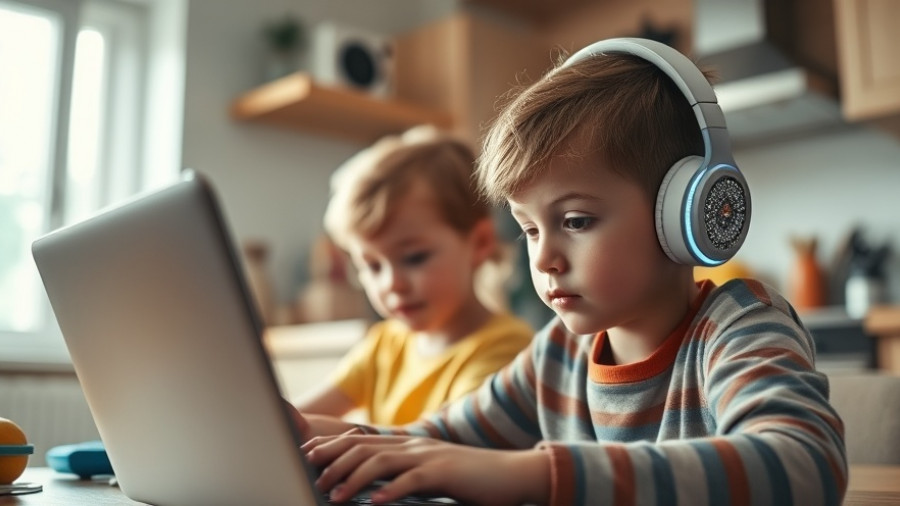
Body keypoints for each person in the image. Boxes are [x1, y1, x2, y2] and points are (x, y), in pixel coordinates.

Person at [293, 39, 847, 505]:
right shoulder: (558, 354)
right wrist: (296, 430)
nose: (543, 258)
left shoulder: (738, 327)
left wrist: (536, 472)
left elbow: (804, 464)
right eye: (530, 229)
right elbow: (428, 442)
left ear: (685, 214)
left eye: (576, 220)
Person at [294, 125, 534, 426]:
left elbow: (438, 445)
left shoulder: (508, 349)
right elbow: (297, 415)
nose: (391, 284)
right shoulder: (384, 344)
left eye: (414, 258)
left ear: (481, 243)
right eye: (371, 266)